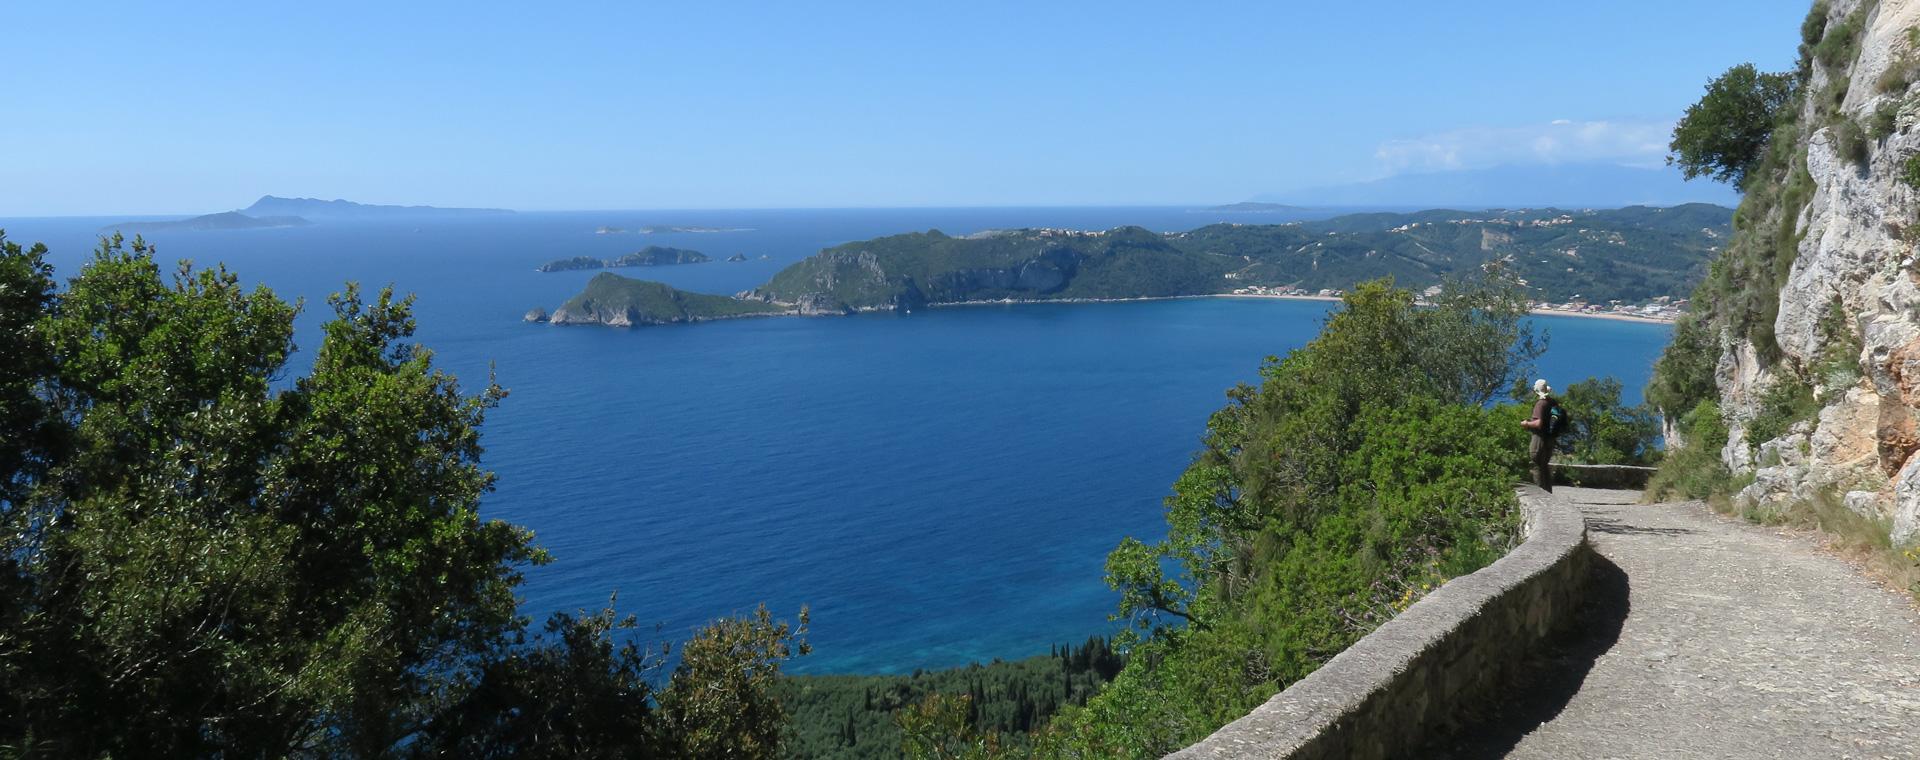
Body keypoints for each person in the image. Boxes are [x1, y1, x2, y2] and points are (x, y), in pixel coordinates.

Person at [1520, 379, 1557, 492]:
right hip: (1550, 439)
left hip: (1539, 439)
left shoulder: (1540, 404)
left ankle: (1541, 493)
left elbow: (1538, 422)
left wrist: (1526, 424)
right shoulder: (1552, 402)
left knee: (1536, 466)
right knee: (1544, 466)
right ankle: (1548, 492)